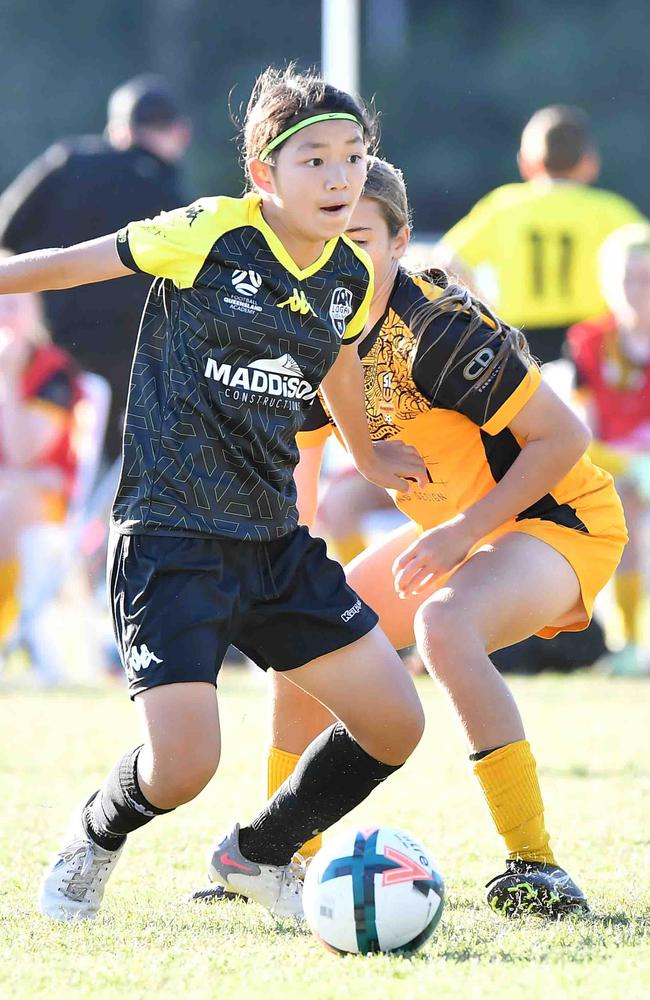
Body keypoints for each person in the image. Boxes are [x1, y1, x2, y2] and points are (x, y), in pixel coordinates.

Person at [0, 66, 430, 923]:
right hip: (170, 539)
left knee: (396, 724)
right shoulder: (207, 232)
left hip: (274, 542)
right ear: (264, 174)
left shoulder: (347, 272)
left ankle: (257, 855)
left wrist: (369, 449)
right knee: (183, 767)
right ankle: (96, 833)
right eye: (315, 159)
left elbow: (338, 355)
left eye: (353, 156)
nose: (341, 176)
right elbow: (65, 265)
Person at [264, 157, 627, 917]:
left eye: (359, 234)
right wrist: (284, 565)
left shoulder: (438, 326)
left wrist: (460, 532)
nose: (339, 250)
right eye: (324, 230)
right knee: (300, 632)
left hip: (560, 519)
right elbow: (302, 463)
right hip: (460, 533)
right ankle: (274, 862)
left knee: (445, 624)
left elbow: (563, 437)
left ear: (399, 243)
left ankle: (537, 866)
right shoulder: (310, 326)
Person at [0, 74, 190, 462]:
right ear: (179, 133)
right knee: (108, 478)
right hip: (135, 365)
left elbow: (6, 233)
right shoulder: (176, 199)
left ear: (118, 130)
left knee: (43, 469)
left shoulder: (69, 161)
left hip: (52, 356)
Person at [438, 106, 643, 365]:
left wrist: (489, 314)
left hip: (523, 340)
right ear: (590, 162)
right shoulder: (611, 211)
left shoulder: (505, 206)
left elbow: (447, 260)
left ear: (526, 162)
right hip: (593, 341)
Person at [568, 223, 650, 676]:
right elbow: (586, 433)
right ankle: (628, 643)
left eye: (647, 277)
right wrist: (631, 463)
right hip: (617, 466)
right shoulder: (590, 342)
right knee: (624, 502)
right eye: (627, 277)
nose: (637, 290)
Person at [0, 289, 80, 670]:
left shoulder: (51, 369)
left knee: (13, 499)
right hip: (15, 487)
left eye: (12, 306)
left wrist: (9, 378)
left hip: (45, 503)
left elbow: (24, 452)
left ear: (35, 312)